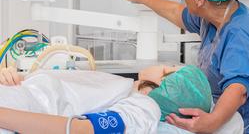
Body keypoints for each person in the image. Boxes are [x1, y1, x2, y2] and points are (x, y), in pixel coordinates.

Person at [119, 0, 249, 134]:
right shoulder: (213, 14)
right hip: (232, 116)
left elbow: (238, 90)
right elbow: (177, 13)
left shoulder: (242, 35)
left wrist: (211, 123)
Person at [0, 65, 213, 134]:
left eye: (168, 68)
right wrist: (13, 75)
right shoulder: (125, 88)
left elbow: (79, 129)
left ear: (161, 87)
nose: (162, 64)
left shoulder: (144, 108)